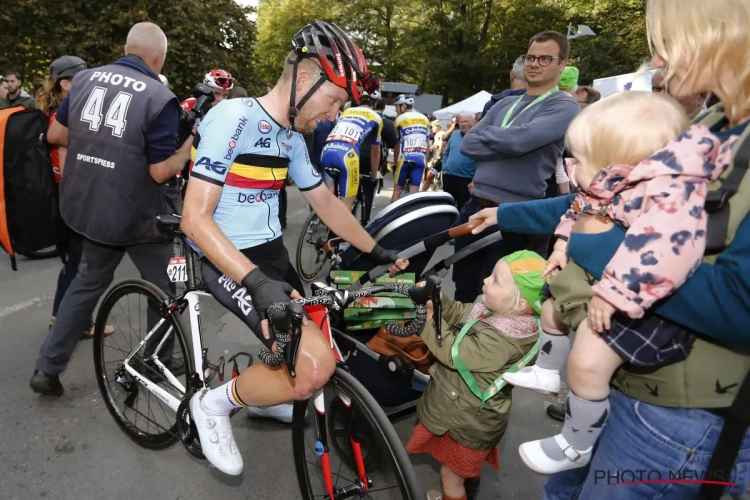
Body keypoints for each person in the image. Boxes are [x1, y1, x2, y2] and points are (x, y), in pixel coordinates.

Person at [468, 1, 750, 496]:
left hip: (684, 418)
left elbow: (740, 303)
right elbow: (600, 194)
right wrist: (506, 213)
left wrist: (598, 248)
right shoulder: (716, 119)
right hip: (635, 389)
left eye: (666, 45)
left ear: (720, 36)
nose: (658, 63)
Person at [179, 20, 407, 476]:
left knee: (308, 349)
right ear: (305, 77)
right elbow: (194, 219)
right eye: (335, 100)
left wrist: (376, 249)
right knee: (314, 364)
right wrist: (255, 281)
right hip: (227, 256)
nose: (335, 115)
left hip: (269, 253)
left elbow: (324, 202)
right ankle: (212, 403)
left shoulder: (290, 135)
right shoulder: (234, 117)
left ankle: (264, 401)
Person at [507, 91, 733, 474]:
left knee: (586, 365)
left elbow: (657, 252)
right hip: (599, 289)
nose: (569, 165)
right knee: (549, 311)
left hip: (631, 301)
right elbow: (576, 209)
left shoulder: (661, 199)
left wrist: (612, 291)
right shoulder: (610, 184)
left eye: (579, 159)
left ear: (619, 165)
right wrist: (561, 247)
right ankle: (546, 372)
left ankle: (576, 443)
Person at [29, 22, 192, 396]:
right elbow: (158, 171)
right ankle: (156, 360)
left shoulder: (84, 80)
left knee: (86, 284)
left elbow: (55, 136)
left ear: (127, 47)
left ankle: (47, 368)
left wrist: (98, 142)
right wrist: (186, 149)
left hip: (89, 206)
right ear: (159, 57)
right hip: (137, 214)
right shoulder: (159, 96)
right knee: (167, 289)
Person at [407, 251, 546, 500]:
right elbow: (462, 313)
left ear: (520, 303)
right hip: (473, 415)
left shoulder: (502, 342)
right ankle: (469, 489)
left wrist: (428, 319)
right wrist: (437, 300)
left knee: (450, 477)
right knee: (465, 468)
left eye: (495, 280)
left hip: (465, 420)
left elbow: (453, 352)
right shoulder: (502, 314)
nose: (485, 280)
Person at [454, 30, 579, 302]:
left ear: (562, 64)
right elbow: (468, 144)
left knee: (495, 297)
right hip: (475, 206)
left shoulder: (564, 105)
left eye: (545, 58)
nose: (534, 64)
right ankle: (459, 344)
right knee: (463, 285)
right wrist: (508, 140)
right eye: (531, 57)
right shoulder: (506, 102)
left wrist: (493, 138)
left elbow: (521, 142)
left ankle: (486, 344)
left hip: (515, 214)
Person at [36, 55, 114, 339]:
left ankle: (71, 318)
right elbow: (70, 160)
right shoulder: (62, 116)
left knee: (77, 261)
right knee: (81, 264)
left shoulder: (52, 112)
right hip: (69, 196)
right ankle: (70, 321)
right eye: (81, 78)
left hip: (59, 196)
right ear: (66, 84)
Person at [320, 89, 382, 211]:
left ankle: (323, 213)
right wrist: (373, 175)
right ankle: (338, 226)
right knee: (345, 209)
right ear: (374, 104)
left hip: (326, 151)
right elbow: (375, 152)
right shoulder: (376, 117)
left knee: (335, 182)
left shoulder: (346, 111)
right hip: (347, 155)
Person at [391, 94, 431, 203]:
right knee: (413, 194)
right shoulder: (425, 118)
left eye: (396, 107)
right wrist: (426, 164)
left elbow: (397, 144)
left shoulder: (399, 119)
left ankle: (389, 217)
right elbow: (427, 145)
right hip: (421, 160)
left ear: (403, 105)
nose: (395, 110)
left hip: (405, 158)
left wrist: (395, 164)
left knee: (397, 190)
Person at [440, 113, 477, 211]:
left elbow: (480, 159)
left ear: (472, 123)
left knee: (463, 206)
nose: (463, 124)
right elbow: (446, 152)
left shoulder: (477, 137)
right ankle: (447, 224)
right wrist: (444, 168)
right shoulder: (454, 134)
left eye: (465, 122)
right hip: (449, 175)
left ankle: (459, 225)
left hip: (466, 178)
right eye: (461, 122)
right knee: (447, 204)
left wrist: (475, 179)